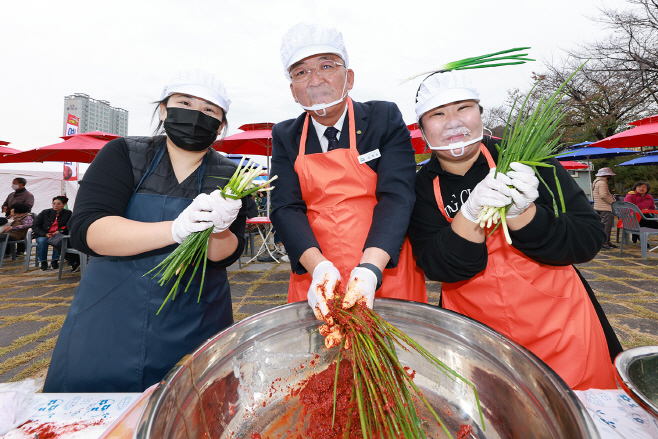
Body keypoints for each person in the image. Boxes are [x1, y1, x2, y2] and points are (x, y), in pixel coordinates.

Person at [407, 70, 621, 390]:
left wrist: (524, 214)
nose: (453, 121)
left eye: (463, 108)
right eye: (437, 113)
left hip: (560, 325)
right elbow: (438, 266)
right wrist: (469, 215)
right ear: (423, 129)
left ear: (480, 113)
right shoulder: (421, 186)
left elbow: (588, 239)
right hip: (478, 338)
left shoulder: (526, 159)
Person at [43, 69, 246, 393]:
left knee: (193, 413)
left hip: (196, 320)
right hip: (111, 319)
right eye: (185, 102)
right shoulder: (125, 154)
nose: (196, 115)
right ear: (164, 109)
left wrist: (219, 230)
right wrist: (176, 229)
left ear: (221, 124)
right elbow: (87, 229)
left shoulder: (229, 173)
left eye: (209, 110)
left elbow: (227, 253)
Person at [270, 23, 427, 322]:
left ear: (349, 77)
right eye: (301, 72)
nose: (314, 80)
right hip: (315, 265)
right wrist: (318, 268)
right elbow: (285, 207)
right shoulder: (285, 135)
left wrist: (370, 269)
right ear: (293, 90)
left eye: (326, 66)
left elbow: (397, 195)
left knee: (392, 360)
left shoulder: (383, 117)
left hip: (384, 263)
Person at [31, 196, 73, 271]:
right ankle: (43, 262)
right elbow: (35, 225)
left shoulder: (68, 213)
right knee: (43, 241)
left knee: (57, 240)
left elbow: (69, 225)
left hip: (57, 234)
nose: (55, 205)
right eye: (54, 203)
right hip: (44, 234)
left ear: (64, 204)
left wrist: (59, 231)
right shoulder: (45, 212)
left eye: (58, 204)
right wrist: (44, 234)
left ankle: (55, 260)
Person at [592, 167, 617, 250]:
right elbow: (604, 195)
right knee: (607, 225)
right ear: (607, 175)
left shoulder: (596, 181)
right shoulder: (602, 183)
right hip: (604, 207)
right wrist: (612, 202)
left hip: (597, 206)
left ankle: (604, 241)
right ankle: (605, 242)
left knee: (600, 225)